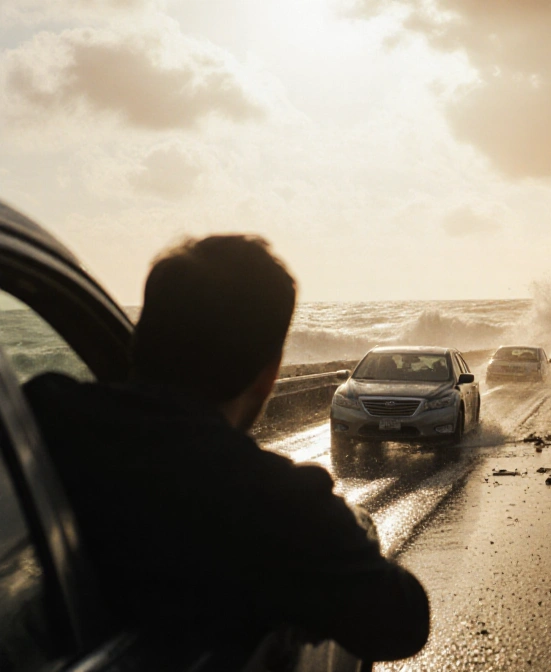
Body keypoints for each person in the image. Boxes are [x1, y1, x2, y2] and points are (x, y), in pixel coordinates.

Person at [23, 235, 430, 662]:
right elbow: (404, 622)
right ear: (269, 372)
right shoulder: (273, 502)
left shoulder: (39, 415)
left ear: (143, 338)